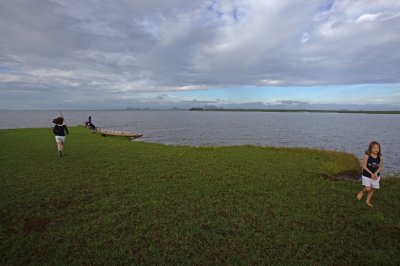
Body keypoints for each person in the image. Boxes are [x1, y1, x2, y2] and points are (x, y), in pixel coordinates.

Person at [356, 141, 383, 207]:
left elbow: (379, 167)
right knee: (368, 188)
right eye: (374, 148)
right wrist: (371, 174)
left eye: (377, 148)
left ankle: (367, 201)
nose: (376, 149)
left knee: (373, 189)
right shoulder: (367, 156)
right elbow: (364, 166)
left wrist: (375, 174)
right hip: (367, 175)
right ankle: (361, 192)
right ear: (370, 148)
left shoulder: (380, 157)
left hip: (376, 176)